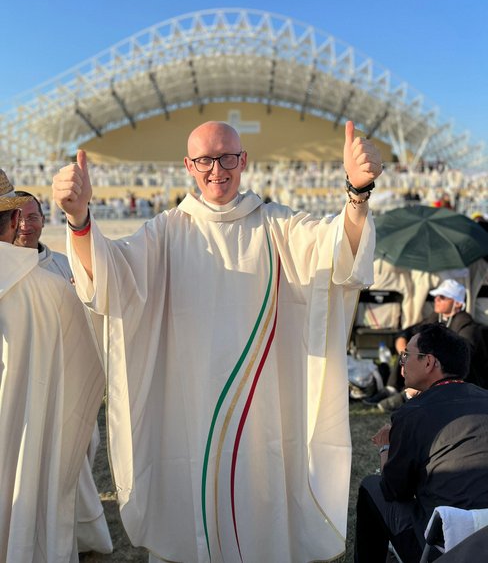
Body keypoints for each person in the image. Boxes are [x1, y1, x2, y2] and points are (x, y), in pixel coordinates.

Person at [52, 120, 382, 563]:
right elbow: (113, 280)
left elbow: (337, 253)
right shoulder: (166, 231)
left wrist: (357, 195)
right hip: (187, 413)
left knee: (260, 513)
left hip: (263, 412)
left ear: (243, 160)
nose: (217, 170)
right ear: (188, 165)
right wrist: (78, 218)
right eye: (205, 160)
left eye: (227, 157)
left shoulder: (276, 226)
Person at [0, 170, 104, 562]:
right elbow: (87, 367)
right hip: (27, 437)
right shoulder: (51, 291)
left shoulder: (54, 277)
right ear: (13, 222)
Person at [354, 323, 488, 563]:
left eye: (406, 355)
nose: (402, 362)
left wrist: (386, 446)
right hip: (483, 536)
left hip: (444, 545)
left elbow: (394, 489)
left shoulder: (413, 413)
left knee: (370, 487)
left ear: (429, 362)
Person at [364, 278, 486, 410]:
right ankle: (391, 388)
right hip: (439, 368)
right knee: (409, 349)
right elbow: (410, 331)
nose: (436, 299)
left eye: (443, 297)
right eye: (436, 296)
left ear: (457, 303)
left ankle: (408, 395)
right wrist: (402, 338)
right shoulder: (436, 317)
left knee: (423, 355)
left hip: (465, 378)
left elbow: (463, 355)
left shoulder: (466, 324)